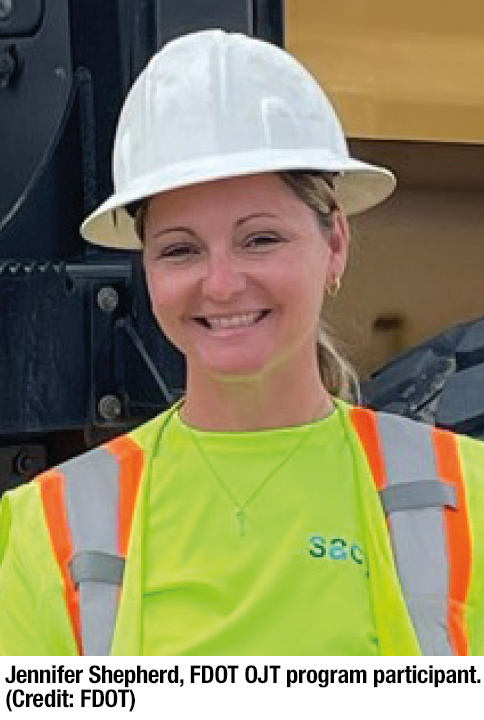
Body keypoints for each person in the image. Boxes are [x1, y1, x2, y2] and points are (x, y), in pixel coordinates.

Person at [0, 29, 483, 656]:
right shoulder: (49, 528)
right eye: (180, 250)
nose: (222, 285)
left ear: (334, 243)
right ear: (146, 269)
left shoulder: (467, 495)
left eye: (260, 239)